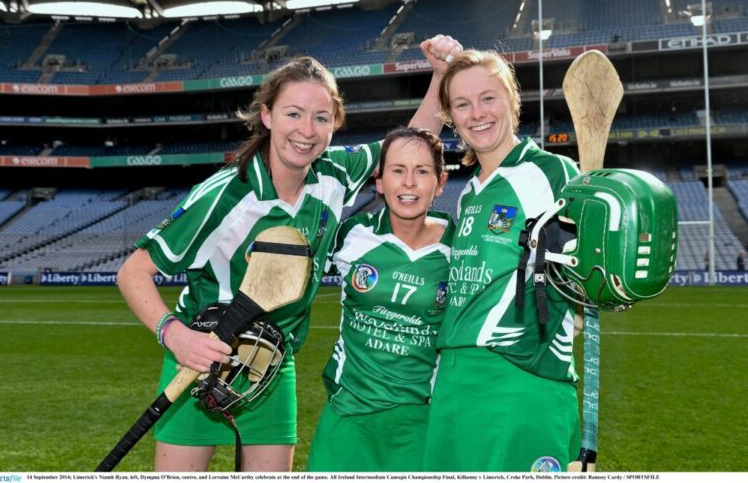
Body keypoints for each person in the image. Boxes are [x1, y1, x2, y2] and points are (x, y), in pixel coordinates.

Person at [116, 36, 462, 472]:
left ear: (334, 123)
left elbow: (412, 144)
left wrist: (440, 76)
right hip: (199, 362)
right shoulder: (224, 195)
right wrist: (176, 335)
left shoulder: (335, 172)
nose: (306, 131)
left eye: (321, 118)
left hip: (272, 368)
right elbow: (134, 271)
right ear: (266, 115)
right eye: (293, 114)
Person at [421, 49, 582, 472]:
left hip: (521, 377)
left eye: (488, 98)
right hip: (454, 379)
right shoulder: (470, 192)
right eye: (462, 103)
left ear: (512, 99)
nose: (477, 113)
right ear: (451, 116)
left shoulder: (554, 173)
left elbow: (588, 273)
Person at [307, 127, 455, 471]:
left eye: (422, 172)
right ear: (379, 180)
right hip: (347, 414)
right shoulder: (350, 236)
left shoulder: (460, 248)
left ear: (441, 182)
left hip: (421, 422)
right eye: (398, 170)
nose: (409, 183)